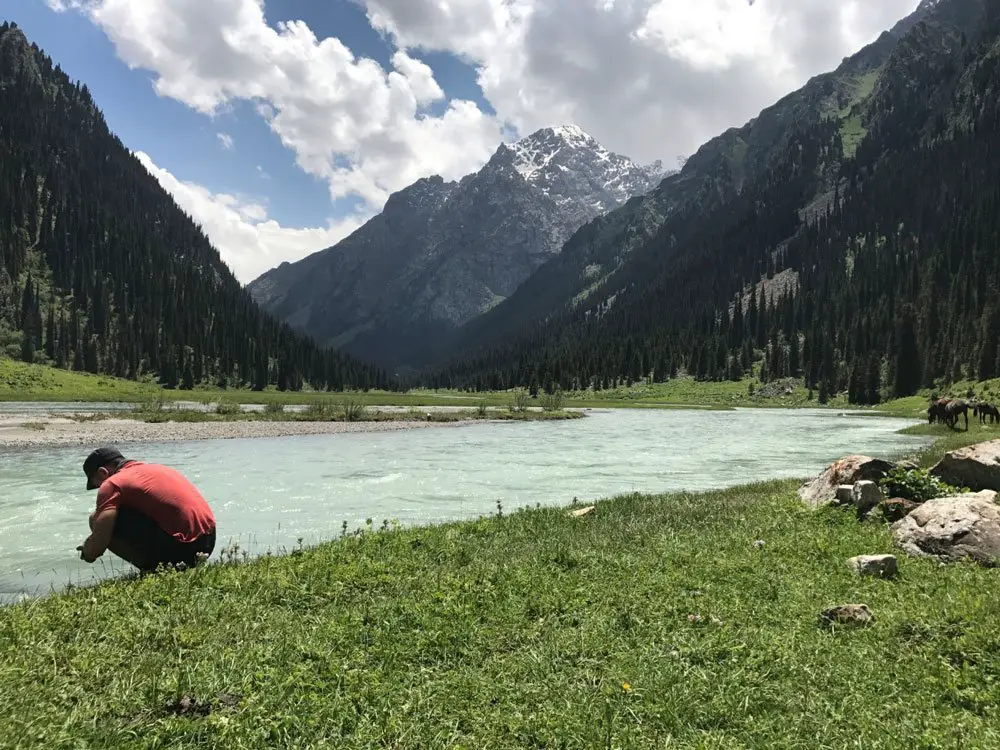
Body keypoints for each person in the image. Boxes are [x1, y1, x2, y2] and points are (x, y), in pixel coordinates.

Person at [77, 446, 217, 573]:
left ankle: (151, 570)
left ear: (103, 473)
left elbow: (99, 541)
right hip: (208, 542)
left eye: (97, 484)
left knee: (96, 518)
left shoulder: (112, 483)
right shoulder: (158, 468)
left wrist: (88, 551)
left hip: (182, 550)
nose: (100, 487)